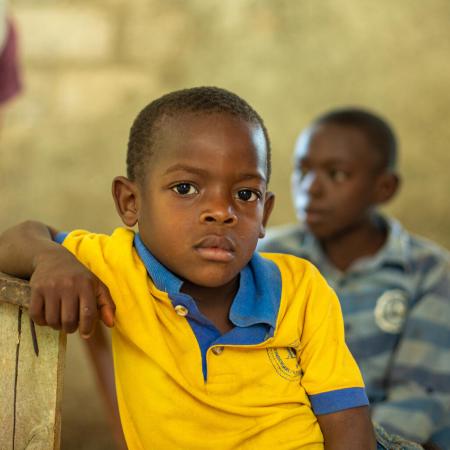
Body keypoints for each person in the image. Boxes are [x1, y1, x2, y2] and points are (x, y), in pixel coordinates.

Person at [0, 87, 378, 449]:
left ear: (265, 213)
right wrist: (49, 257)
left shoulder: (300, 289)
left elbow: (346, 418)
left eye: (246, 195)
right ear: (130, 201)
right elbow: (14, 241)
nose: (221, 211)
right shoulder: (118, 266)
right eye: (186, 188)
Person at [258, 107, 450, 450]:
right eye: (302, 171)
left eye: (337, 174)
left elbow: (421, 392)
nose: (311, 188)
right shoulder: (268, 257)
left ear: (384, 188)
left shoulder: (428, 270)